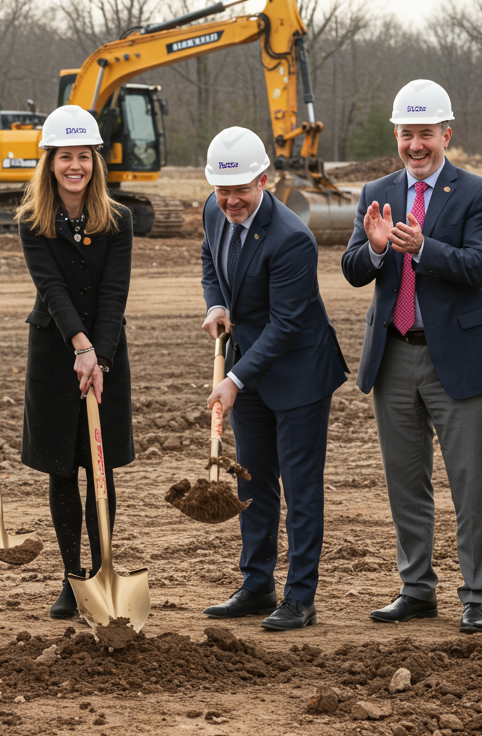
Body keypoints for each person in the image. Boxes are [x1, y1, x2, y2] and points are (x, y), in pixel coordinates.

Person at [342, 80, 482, 634]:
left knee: (470, 483)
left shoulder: (478, 193)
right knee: (405, 482)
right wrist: (372, 247)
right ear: (397, 135)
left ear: (447, 133)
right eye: (407, 134)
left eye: (426, 135)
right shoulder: (378, 189)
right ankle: (416, 588)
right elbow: (352, 269)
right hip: (394, 355)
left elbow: (481, 265)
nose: (416, 145)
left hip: (457, 358)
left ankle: (476, 594)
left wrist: (425, 249)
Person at [199, 126, 348, 631]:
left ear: (265, 179)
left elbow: (286, 325)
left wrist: (235, 380)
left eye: (242, 188)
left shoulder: (292, 239)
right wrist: (216, 303)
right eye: (223, 189)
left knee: (300, 486)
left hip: (299, 370)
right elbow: (209, 260)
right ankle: (257, 584)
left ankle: (300, 596)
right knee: (254, 481)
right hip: (251, 365)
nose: (231, 200)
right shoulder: (212, 210)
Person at [13, 105, 134, 619]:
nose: (74, 166)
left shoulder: (119, 219)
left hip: (105, 356)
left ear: (94, 161)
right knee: (62, 468)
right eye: (65, 157)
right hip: (55, 354)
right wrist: (80, 348)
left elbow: (113, 294)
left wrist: (99, 356)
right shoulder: (31, 222)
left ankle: (104, 569)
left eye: (83, 156)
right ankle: (72, 578)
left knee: (100, 468)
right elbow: (54, 290)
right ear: (51, 162)